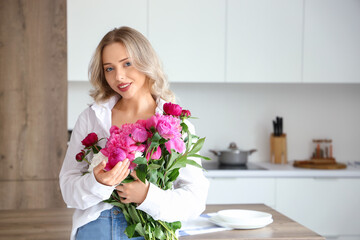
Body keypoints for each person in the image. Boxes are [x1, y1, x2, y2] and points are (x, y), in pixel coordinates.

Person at [59, 26, 209, 240]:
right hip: (95, 230)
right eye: (109, 68)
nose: (119, 76)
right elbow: (68, 188)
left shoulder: (176, 125)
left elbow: (195, 199)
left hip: (152, 232)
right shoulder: (91, 118)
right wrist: (98, 183)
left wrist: (148, 197)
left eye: (127, 63)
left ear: (146, 62)